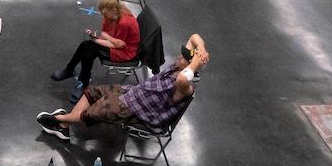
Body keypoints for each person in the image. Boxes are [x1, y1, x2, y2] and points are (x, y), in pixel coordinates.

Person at [37, 35, 208, 140]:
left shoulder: (186, 86)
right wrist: (200, 49)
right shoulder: (180, 68)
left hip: (139, 110)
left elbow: (182, 80)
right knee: (93, 91)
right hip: (134, 93)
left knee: (95, 111)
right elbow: (194, 37)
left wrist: (194, 64)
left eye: (185, 59)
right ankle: (64, 127)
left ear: (191, 67)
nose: (179, 57)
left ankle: (58, 120)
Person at [50, 0, 140, 101]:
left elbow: (118, 46)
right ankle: (81, 80)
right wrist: (103, 38)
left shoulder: (124, 22)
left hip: (125, 52)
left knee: (87, 47)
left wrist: (95, 40)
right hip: (115, 44)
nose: (103, 15)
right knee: (88, 51)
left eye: (105, 13)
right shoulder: (110, 14)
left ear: (114, 10)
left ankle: (74, 75)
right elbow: (105, 33)